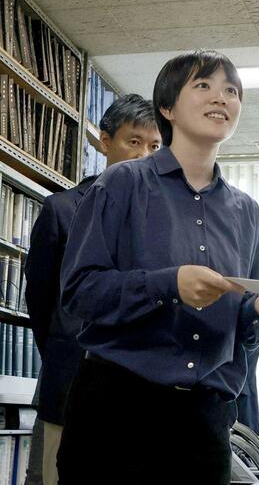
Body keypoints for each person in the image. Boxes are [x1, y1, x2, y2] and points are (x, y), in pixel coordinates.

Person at [57, 50, 259, 485]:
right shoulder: (122, 184)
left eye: (231, 91)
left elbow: (242, 330)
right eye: (203, 86)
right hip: (117, 411)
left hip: (204, 422)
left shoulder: (246, 211)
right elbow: (79, 293)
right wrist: (169, 284)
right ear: (166, 108)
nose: (221, 98)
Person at [25, 94, 162, 485]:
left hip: (143, 394)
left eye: (154, 146)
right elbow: (41, 305)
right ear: (104, 141)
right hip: (69, 385)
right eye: (133, 142)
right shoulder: (63, 210)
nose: (144, 156)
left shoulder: (161, 222)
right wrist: (66, 352)